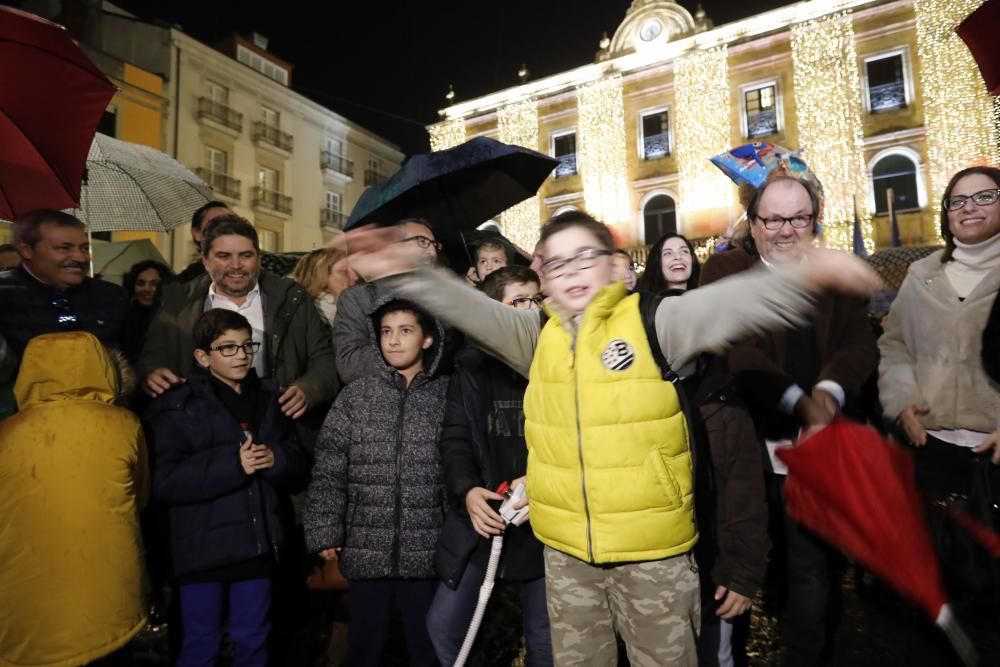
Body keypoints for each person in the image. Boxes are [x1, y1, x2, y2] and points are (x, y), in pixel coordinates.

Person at [336, 209, 879, 665]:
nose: (572, 271)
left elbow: (727, 305)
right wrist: (408, 269)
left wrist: (811, 273)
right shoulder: (535, 336)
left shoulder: (654, 321)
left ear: (613, 266)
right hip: (568, 557)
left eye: (585, 257)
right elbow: (469, 307)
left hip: (654, 558)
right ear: (541, 275)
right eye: (558, 260)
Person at [700, 171, 878, 667]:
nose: (785, 229)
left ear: (815, 221)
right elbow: (741, 352)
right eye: (773, 218)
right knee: (734, 574)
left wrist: (828, 394)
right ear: (753, 224)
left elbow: (858, 344)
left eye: (798, 218)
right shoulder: (724, 272)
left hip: (817, 456)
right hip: (746, 455)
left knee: (812, 572)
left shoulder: (835, 273)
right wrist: (803, 403)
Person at [881, 166, 1000, 666]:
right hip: (931, 453)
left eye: (984, 197)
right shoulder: (921, 273)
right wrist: (902, 401)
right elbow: (894, 345)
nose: (969, 208)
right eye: (957, 201)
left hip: (994, 456)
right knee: (932, 596)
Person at [144, 309, 309, 667]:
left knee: (254, 639)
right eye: (228, 348)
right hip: (201, 551)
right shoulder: (177, 405)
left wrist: (276, 459)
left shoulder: (270, 396)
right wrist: (233, 465)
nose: (242, 355)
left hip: (256, 547)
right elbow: (165, 480)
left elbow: (298, 459)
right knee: (200, 643)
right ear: (203, 357)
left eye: (247, 345)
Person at [306, 299, 449, 667]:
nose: (394, 341)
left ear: (428, 339)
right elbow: (329, 468)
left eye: (405, 331)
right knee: (364, 649)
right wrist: (325, 530)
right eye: (386, 332)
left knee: (427, 649)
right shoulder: (356, 396)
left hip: (427, 552)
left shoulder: (447, 395)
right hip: (366, 550)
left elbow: (458, 469)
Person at [427, 265, 550, 667]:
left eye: (537, 300)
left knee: (546, 643)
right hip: (484, 522)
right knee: (444, 627)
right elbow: (455, 437)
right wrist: (467, 491)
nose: (531, 311)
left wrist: (542, 480)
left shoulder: (557, 366)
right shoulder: (472, 368)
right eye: (519, 302)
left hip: (546, 526)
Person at [0, 332, 149, 666]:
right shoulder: (124, 425)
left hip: (26, 606)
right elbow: (140, 496)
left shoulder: (6, 434)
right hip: (109, 601)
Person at [137, 214, 338, 443]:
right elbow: (151, 357)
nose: (236, 266)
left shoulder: (292, 297)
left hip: (280, 434)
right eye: (224, 256)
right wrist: (151, 372)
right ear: (205, 260)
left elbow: (325, 360)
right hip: (204, 438)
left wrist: (308, 390)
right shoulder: (179, 303)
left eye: (246, 255)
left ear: (258, 258)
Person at [0, 209, 128, 359]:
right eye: (64, 248)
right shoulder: (5, 296)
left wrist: (149, 372)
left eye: (84, 248)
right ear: (26, 250)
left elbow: (135, 359)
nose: (80, 257)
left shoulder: (113, 296)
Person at [332, 217, 441, 384]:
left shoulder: (441, 299)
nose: (432, 252)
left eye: (435, 245)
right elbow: (350, 366)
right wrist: (411, 346)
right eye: (423, 242)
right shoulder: (357, 299)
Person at [290, 247, 356, 330]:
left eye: (354, 270)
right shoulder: (325, 307)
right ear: (322, 277)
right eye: (345, 272)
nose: (355, 277)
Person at [121, 259, 173, 364]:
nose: (146, 289)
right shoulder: (122, 317)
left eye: (154, 284)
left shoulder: (174, 318)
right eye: (140, 283)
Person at [176, 201, 233, 283]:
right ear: (197, 233)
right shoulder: (179, 287)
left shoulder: (254, 277)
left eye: (233, 222)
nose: (228, 229)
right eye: (217, 223)